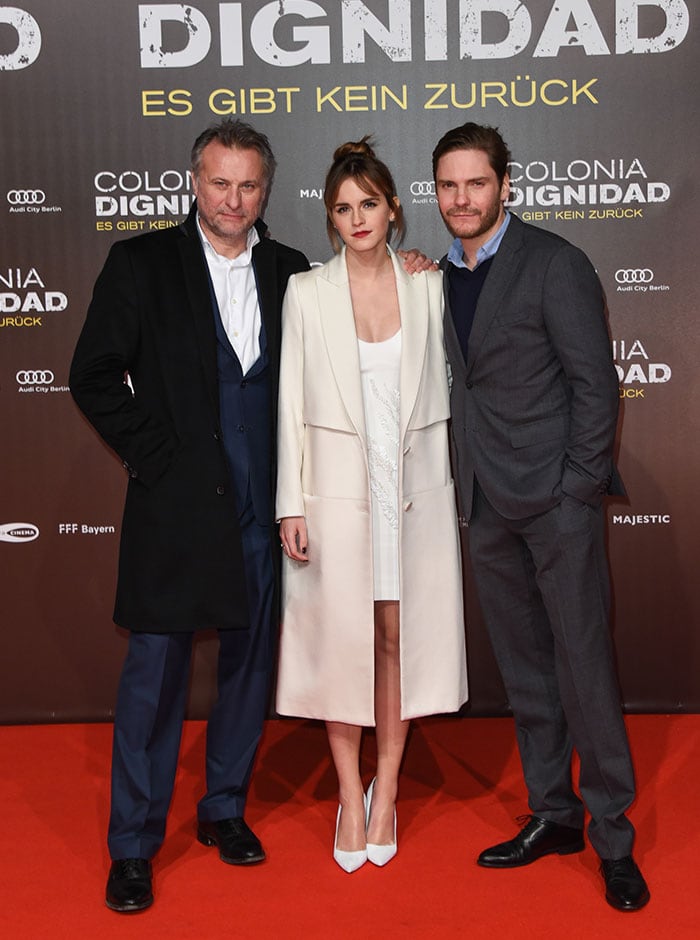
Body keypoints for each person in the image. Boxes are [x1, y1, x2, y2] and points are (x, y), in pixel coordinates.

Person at [70, 118, 311, 913]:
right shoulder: (139, 263)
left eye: (248, 184)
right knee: (154, 680)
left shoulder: (292, 272)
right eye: (219, 182)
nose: (233, 198)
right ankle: (133, 845)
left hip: (265, 506)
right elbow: (94, 374)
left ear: (265, 189)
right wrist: (158, 455)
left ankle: (224, 810)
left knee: (247, 667)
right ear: (194, 183)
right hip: (176, 510)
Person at [432, 122, 649, 911]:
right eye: (449, 186)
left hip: (556, 503)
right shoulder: (439, 276)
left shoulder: (555, 263)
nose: (462, 199)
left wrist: (576, 488)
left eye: (476, 184)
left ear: (505, 186)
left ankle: (614, 837)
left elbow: (597, 385)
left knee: (583, 668)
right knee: (526, 672)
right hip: (484, 501)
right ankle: (553, 814)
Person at [275, 138, 468, 873]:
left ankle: (385, 788)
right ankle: (347, 796)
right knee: (343, 647)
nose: (358, 218)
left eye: (370, 204)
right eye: (343, 208)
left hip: (413, 498)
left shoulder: (429, 284)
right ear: (331, 219)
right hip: (335, 500)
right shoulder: (306, 292)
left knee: (397, 643)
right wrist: (290, 502)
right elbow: (290, 403)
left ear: (393, 209)